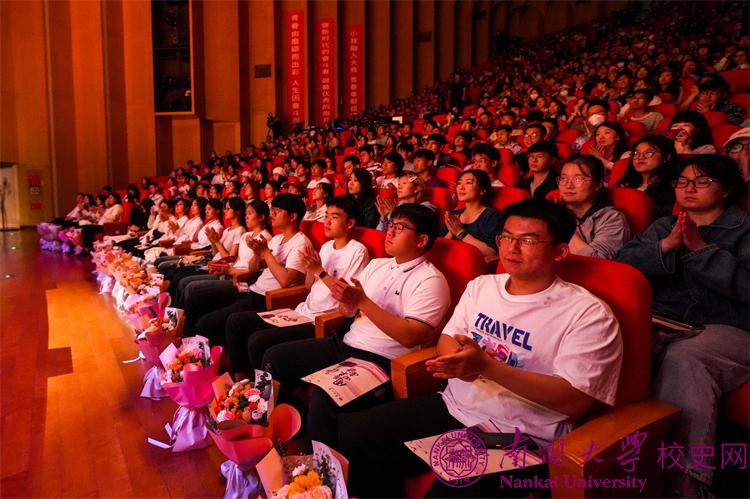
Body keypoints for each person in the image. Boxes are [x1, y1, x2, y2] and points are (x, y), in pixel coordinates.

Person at [336, 199, 623, 498]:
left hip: (520, 434)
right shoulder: (482, 287)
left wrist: (487, 367)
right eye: (507, 237)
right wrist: (461, 360)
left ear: (560, 251)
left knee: (448, 491)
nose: (512, 248)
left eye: (528, 240)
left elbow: (574, 400)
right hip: (454, 407)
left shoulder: (588, 313)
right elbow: (448, 338)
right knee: (356, 432)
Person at [262, 203, 450, 449]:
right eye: (390, 225)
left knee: (323, 399)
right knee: (275, 356)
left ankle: (325, 473)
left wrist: (362, 301)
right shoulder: (378, 265)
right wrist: (349, 304)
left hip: (379, 360)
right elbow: (347, 310)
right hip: (344, 343)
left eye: (400, 228)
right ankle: (280, 431)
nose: (390, 232)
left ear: (421, 240)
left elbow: (410, 336)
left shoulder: (431, 280)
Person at [617, 155, 748, 497]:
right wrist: (666, 246)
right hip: (664, 318)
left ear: (726, 190)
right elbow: (624, 266)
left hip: (727, 327)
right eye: (682, 181)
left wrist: (702, 251)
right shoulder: (664, 225)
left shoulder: (745, 230)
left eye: (701, 182)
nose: (689, 189)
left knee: (685, 357)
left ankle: (686, 482)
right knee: (605, 332)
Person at [224, 196, 369, 380]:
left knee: (259, 342)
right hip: (302, 311)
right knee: (242, 327)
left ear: (350, 223)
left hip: (320, 320)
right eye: (326, 216)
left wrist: (320, 272)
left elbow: (347, 297)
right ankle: (248, 384)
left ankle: (263, 395)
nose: (327, 222)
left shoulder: (357, 251)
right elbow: (309, 286)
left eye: (334, 217)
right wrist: (311, 271)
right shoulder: (325, 248)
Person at [191, 193, 310, 344]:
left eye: (277, 210)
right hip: (251, 288)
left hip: (267, 298)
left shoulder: (301, 243)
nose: (271, 214)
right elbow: (253, 268)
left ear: (293, 216)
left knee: (209, 323)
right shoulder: (277, 239)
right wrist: (257, 252)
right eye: (272, 209)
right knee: (200, 296)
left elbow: (285, 280)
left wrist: (265, 252)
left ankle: (203, 358)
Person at [178, 200, 273, 335]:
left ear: (262, 217)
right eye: (246, 213)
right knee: (188, 283)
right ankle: (181, 326)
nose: (246, 216)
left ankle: (186, 333)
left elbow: (256, 269)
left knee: (193, 289)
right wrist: (223, 267)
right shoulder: (246, 235)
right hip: (230, 272)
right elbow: (237, 261)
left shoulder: (265, 239)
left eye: (250, 213)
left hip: (241, 280)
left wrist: (229, 271)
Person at [558, 155, 631, 259]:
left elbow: (596, 262)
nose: (568, 185)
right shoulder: (549, 210)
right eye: (563, 178)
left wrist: (560, 223)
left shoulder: (612, 218)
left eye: (579, 179)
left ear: (598, 185)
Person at [440, 169, 502, 257]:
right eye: (459, 183)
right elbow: (439, 248)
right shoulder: (454, 214)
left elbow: (492, 253)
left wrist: (460, 232)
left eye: (468, 183)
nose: (461, 187)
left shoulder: (492, 216)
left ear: (482, 190)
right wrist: (451, 232)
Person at [616, 135, 679, 219]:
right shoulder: (625, 185)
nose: (640, 157)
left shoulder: (673, 189)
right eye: (636, 153)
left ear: (667, 157)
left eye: (648, 153)